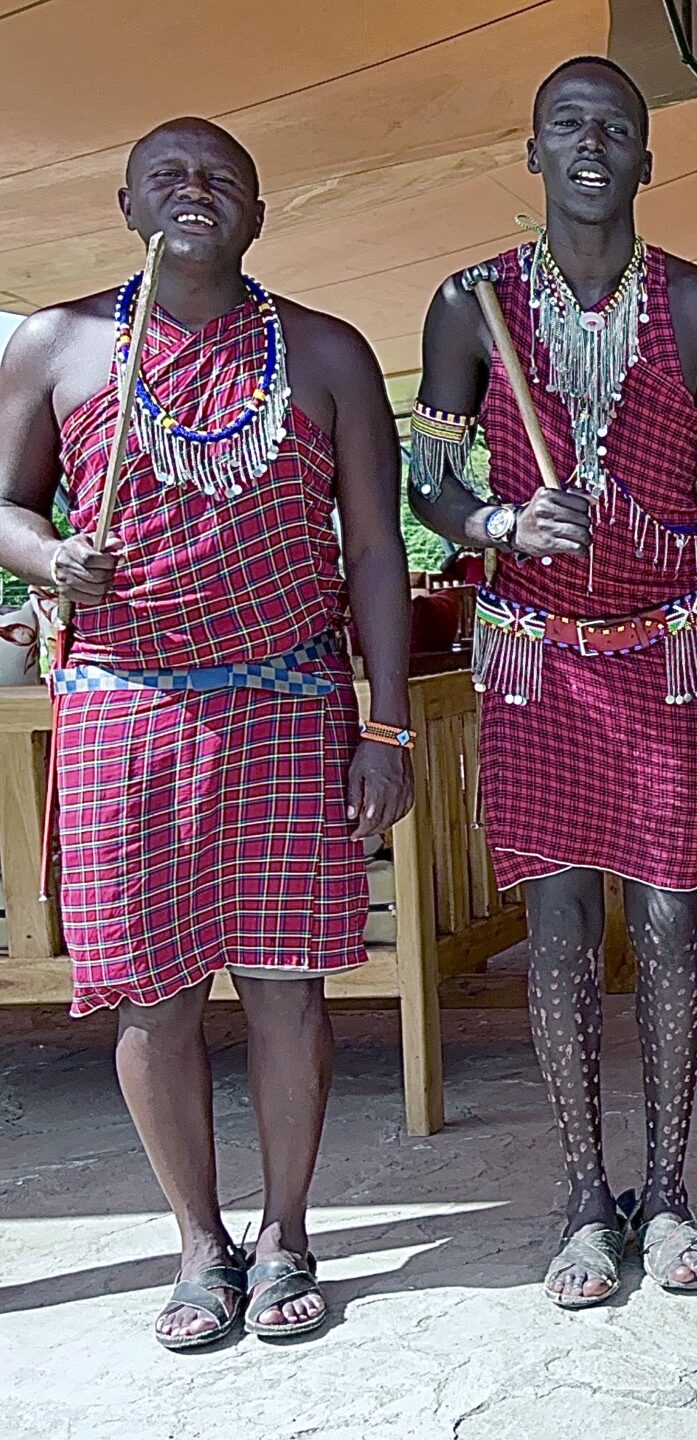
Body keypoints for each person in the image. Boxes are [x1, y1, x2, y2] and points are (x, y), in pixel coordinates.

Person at [0, 119, 415, 1346]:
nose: (197, 192)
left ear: (259, 212)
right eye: (170, 177)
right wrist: (47, 555)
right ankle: (199, 1241)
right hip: (124, 708)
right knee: (151, 997)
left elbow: (379, 552)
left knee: (288, 990)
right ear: (127, 201)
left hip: (291, 703)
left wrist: (385, 726)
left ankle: (287, 1234)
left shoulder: (328, 354)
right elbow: (4, 505)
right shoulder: (58, 344)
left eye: (221, 177)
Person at [407, 56, 697, 1307]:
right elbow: (429, 484)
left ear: (644, 158)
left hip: (668, 652)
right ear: (531, 152)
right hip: (531, 661)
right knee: (557, 931)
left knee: (674, 924)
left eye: (615, 126)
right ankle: (582, 1203)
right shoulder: (470, 308)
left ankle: (668, 1195)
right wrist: (502, 525)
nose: (591, 142)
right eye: (565, 121)